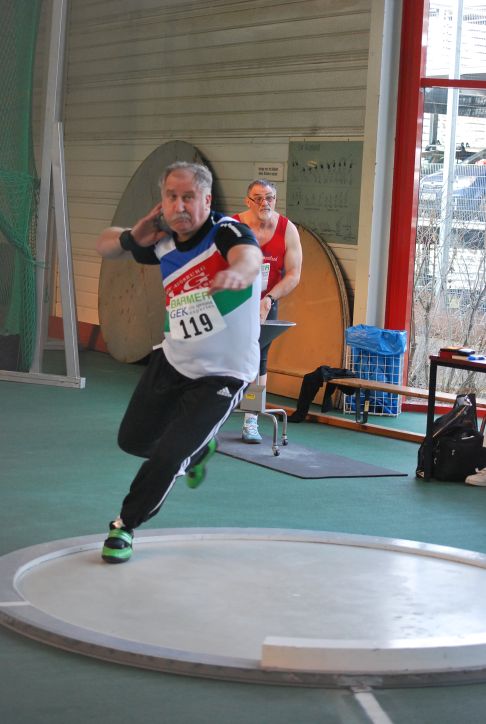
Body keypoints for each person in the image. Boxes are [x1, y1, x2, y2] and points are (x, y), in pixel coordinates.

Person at [95, 162, 262, 563]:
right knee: (132, 440)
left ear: (206, 199)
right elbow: (105, 245)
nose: (180, 206)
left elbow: (249, 256)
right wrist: (132, 235)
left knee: (168, 456)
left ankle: (124, 526)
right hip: (173, 359)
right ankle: (198, 449)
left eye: (189, 197)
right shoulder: (162, 239)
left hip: (224, 373)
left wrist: (239, 273)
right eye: (172, 197)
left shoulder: (226, 231)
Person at [233, 179, 302, 443]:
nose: (265, 203)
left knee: (259, 358)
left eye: (270, 197)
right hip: (233, 299)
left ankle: (251, 418)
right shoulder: (233, 226)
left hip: (266, 301)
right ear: (248, 201)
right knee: (224, 355)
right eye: (259, 198)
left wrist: (270, 298)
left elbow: (294, 274)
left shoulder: (287, 229)